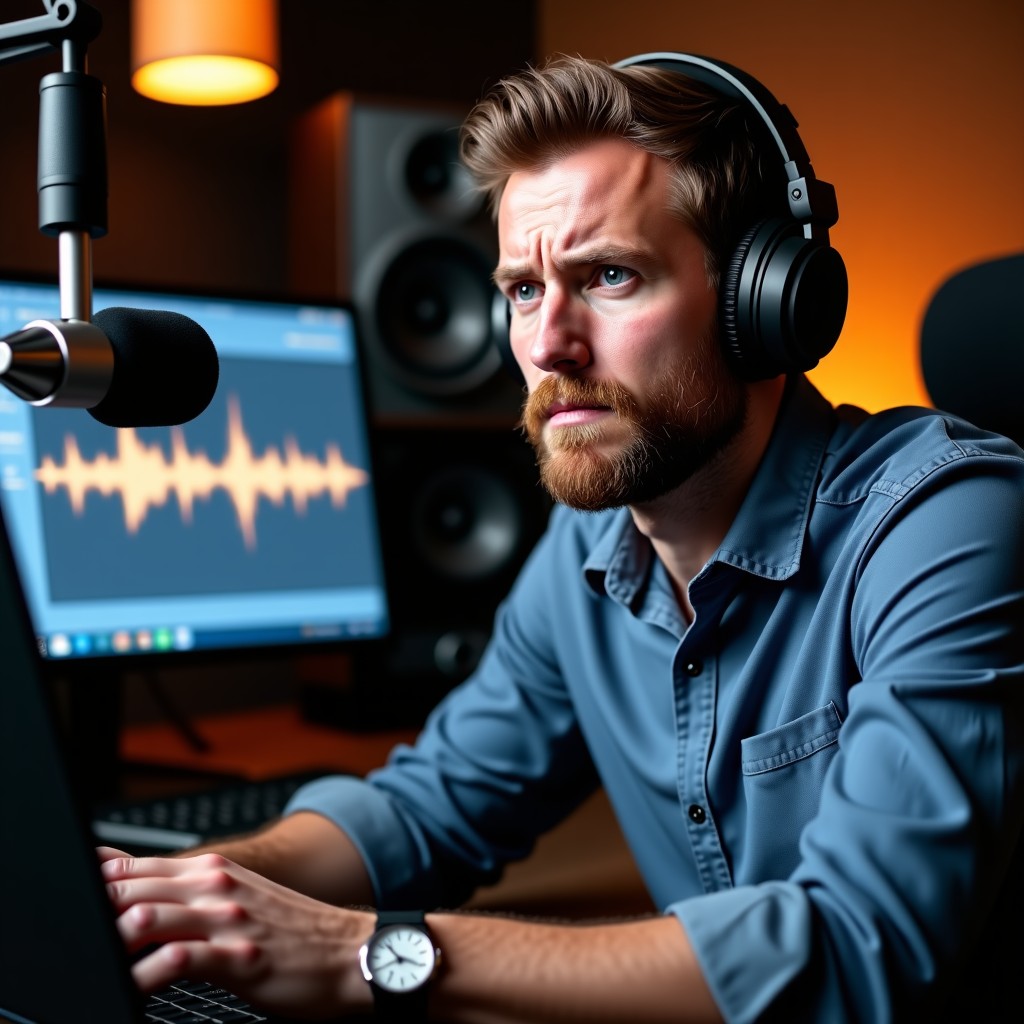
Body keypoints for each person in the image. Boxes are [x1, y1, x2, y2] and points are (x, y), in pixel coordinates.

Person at [99, 53, 1024, 1023]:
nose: (547, 346)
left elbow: (855, 946)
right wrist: (190, 886)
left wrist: (366, 953)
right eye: (523, 291)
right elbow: (433, 805)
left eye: (609, 276)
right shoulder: (584, 548)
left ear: (766, 302)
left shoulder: (947, 520)